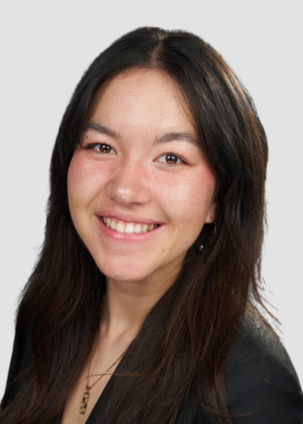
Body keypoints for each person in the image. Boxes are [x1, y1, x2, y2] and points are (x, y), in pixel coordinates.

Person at [1, 27, 302, 424]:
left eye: (171, 158)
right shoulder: (48, 314)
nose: (125, 189)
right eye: (102, 146)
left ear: (219, 197)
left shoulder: (249, 387)